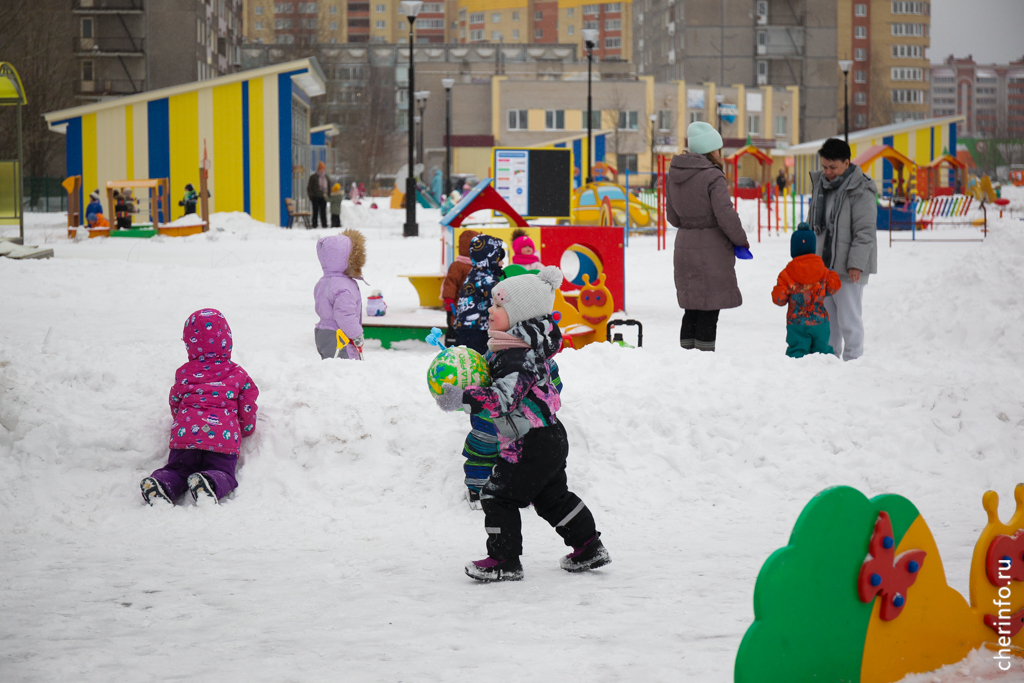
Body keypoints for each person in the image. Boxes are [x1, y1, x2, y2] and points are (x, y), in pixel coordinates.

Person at [435, 266, 611, 582]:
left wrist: (463, 396)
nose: (490, 310)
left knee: (496, 495)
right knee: (552, 497)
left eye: (499, 306)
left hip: (529, 443)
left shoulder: (518, 355)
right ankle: (588, 546)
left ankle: (504, 560)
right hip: (547, 436)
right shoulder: (517, 347)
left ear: (519, 315)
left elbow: (504, 396)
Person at [140, 309, 259, 506]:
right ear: (227, 339)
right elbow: (247, 404)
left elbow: (175, 401)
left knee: (178, 468)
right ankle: (210, 483)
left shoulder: (184, 372)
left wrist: (180, 419)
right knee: (222, 470)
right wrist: (246, 428)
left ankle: (162, 483)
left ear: (189, 343)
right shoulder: (237, 373)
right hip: (223, 438)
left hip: (185, 434)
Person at [666, 121, 751, 352]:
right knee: (709, 309)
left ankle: (686, 359)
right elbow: (726, 215)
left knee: (691, 308)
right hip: (711, 249)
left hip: (684, 247)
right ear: (711, 149)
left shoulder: (674, 174)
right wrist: (740, 239)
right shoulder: (713, 176)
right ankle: (703, 361)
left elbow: (673, 218)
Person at [807, 137, 877, 361]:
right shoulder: (821, 186)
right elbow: (813, 226)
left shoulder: (861, 189)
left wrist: (856, 263)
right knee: (827, 319)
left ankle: (854, 362)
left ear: (847, 163)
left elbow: (864, 232)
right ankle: (829, 359)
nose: (827, 172)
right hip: (823, 266)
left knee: (849, 319)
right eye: (824, 166)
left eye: (833, 167)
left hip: (848, 268)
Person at [772, 225, 842, 358]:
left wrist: (779, 289)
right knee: (822, 353)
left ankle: (797, 376)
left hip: (796, 323)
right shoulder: (822, 271)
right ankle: (825, 374)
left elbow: (778, 299)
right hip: (820, 322)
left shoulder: (787, 274)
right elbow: (833, 287)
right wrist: (832, 274)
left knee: (797, 352)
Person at [313, 230, 366, 360]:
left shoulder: (323, 282)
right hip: (340, 336)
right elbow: (344, 315)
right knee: (345, 369)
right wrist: (356, 334)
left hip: (323, 333)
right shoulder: (343, 287)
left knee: (331, 368)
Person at [452, 234, 505, 354]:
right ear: (490, 259)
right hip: (479, 330)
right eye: (499, 259)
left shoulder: (474, 273)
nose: (502, 264)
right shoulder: (488, 279)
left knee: (466, 359)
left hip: (464, 327)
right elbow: (497, 304)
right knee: (479, 360)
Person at [441, 229, 480, 346]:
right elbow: (450, 283)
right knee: (455, 324)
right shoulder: (458, 265)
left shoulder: (478, 266)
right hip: (457, 303)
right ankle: (452, 343)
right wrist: (448, 298)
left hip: (473, 303)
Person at [307, 161, 331, 229]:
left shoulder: (326, 177)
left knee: (323, 211)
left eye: (323, 169)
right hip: (315, 197)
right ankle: (314, 224)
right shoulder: (313, 177)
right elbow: (309, 187)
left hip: (323, 197)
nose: (322, 170)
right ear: (318, 169)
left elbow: (329, 187)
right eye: (321, 169)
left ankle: (324, 224)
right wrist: (311, 196)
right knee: (315, 211)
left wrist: (328, 195)